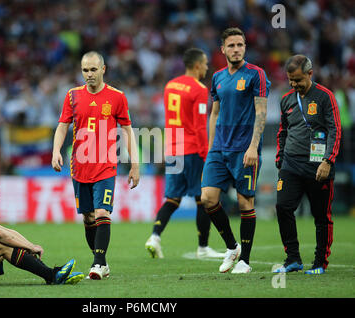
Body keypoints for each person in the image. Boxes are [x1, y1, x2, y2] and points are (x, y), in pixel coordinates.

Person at [52, 51, 140, 280]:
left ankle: (98, 263)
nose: (89, 74)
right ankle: (101, 260)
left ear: (103, 69)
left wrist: (135, 164)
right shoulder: (72, 96)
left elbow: (127, 130)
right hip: (79, 166)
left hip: (106, 165)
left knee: (102, 212)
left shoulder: (117, 97)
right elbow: (62, 126)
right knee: (88, 218)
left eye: (93, 69)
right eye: (85, 70)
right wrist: (56, 152)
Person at [201, 27, 271, 273]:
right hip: (219, 148)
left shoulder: (256, 74)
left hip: (244, 149)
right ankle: (232, 247)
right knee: (208, 198)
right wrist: (211, 148)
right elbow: (215, 113)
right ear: (223, 49)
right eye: (231, 45)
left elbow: (261, 111)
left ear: (245, 47)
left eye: (240, 45)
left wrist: (253, 146)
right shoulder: (218, 77)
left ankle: (245, 261)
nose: (236, 49)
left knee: (245, 203)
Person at [144, 48, 224, 259]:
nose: (207, 67)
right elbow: (199, 125)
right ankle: (203, 247)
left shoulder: (170, 85)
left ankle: (154, 236)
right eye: (205, 63)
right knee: (203, 198)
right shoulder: (198, 89)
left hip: (173, 149)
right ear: (197, 65)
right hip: (191, 150)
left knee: (172, 198)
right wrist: (206, 153)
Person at [274, 55, 341, 275]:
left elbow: (335, 129)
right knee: (283, 207)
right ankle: (293, 258)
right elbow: (283, 131)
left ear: (310, 74)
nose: (294, 84)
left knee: (321, 216)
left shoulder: (325, 97)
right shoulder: (286, 100)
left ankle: (320, 262)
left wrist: (328, 160)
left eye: (298, 80)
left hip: (318, 166)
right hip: (291, 164)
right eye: (291, 80)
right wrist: (280, 156)